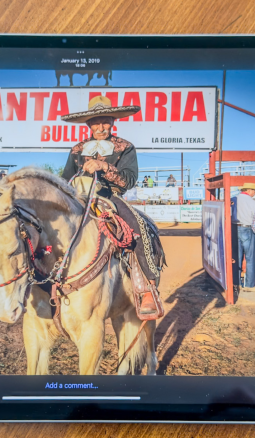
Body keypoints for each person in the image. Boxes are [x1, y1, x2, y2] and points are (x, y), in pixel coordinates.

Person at [61, 95, 165, 317]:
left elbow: (129, 180)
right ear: (88, 124)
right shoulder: (77, 149)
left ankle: (148, 288)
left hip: (110, 197)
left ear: (112, 121)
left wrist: (103, 166)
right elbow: (65, 180)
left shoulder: (125, 147)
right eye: (96, 122)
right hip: (79, 196)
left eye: (105, 121)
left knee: (137, 228)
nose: (101, 127)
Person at [230, 183, 255, 291]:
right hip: (248, 228)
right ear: (249, 190)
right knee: (250, 258)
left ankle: (236, 282)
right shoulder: (253, 202)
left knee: (236, 257)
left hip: (234, 228)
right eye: (254, 191)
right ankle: (249, 285)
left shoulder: (233, 199)